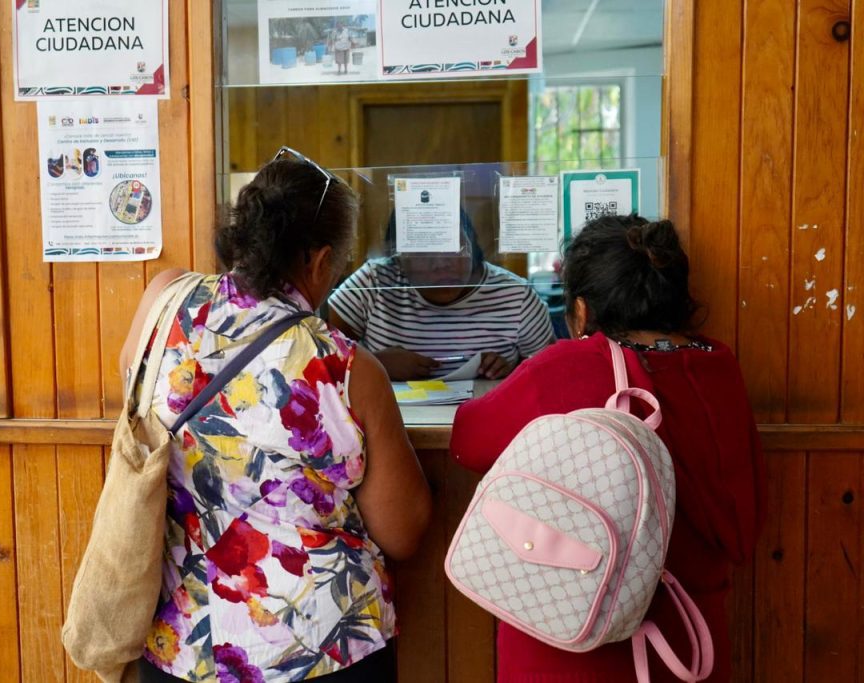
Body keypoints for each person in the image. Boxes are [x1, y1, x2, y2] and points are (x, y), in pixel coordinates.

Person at [119, 147, 432, 683]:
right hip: (322, 649)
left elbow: (134, 394)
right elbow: (403, 532)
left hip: (185, 641)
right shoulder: (345, 368)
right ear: (319, 260)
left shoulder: (165, 299)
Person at [449, 214, 766, 682]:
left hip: (574, 643)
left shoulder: (566, 366)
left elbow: (469, 442)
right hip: (686, 643)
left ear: (581, 310)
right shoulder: (720, 367)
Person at [328, 210, 555, 381]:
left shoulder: (516, 295)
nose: (441, 264)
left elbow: (551, 372)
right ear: (398, 258)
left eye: (453, 248)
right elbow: (320, 356)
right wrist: (375, 363)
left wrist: (513, 372)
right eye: (424, 252)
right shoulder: (375, 281)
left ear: (472, 246)